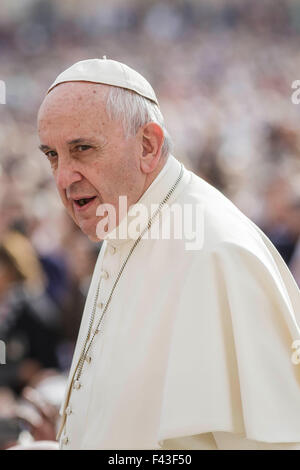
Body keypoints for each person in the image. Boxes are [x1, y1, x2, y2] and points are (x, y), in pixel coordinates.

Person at [37, 58, 300, 450]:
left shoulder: (217, 254)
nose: (63, 177)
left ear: (148, 146)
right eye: (53, 155)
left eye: (83, 149)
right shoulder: (124, 223)